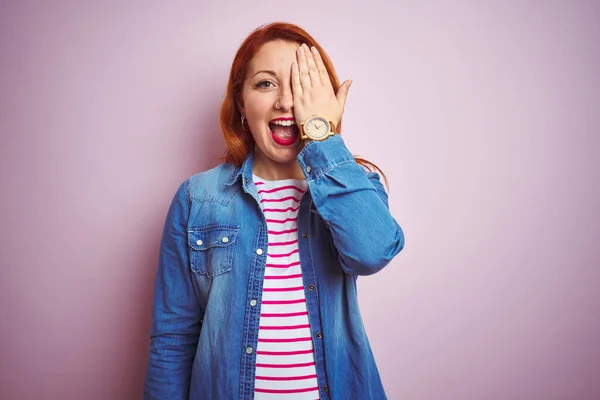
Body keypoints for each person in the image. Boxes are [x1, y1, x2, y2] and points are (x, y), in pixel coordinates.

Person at [144, 22, 405, 400]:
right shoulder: (196, 198)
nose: (286, 102)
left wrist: (322, 137)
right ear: (241, 102)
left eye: (301, 85)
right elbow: (172, 339)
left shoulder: (354, 184)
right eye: (266, 84)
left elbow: (372, 251)